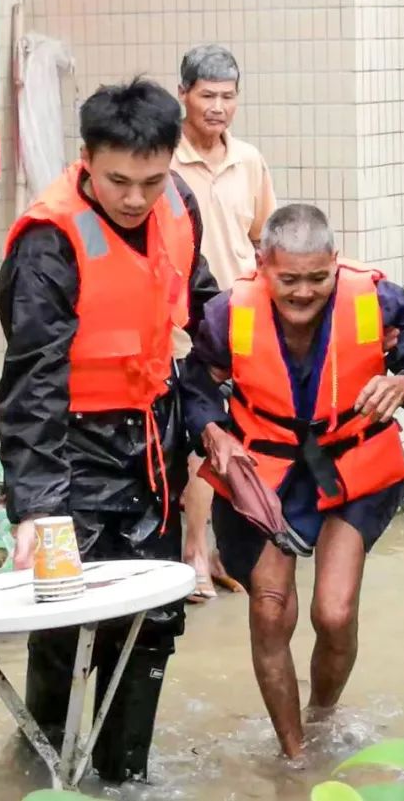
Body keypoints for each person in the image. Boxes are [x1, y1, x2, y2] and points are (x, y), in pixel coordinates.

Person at [0, 77, 219, 784]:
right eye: (118, 179)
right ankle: (46, 773)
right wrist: (36, 507)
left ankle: (128, 776)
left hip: (153, 440)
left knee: (153, 615)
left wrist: (221, 417)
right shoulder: (48, 244)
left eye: (150, 180)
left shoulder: (179, 206)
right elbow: (31, 384)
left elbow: (202, 308)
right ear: (86, 157)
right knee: (67, 620)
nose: (134, 197)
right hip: (70, 449)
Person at [181, 204, 404, 758]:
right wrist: (212, 430)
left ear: (335, 263)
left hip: (352, 464)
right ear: (263, 266)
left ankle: (322, 716)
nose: (304, 292)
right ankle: (294, 754)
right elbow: (194, 386)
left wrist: (403, 384)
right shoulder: (227, 313)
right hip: (266, 471)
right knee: (269, 607)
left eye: (317, 278)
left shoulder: (380, 302)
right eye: (288, 280)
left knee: (334, 611)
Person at [172, 43, 278, 603]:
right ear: (183, 94)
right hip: (184, 319)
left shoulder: (249, 161)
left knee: (236, 429)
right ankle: (192, 552)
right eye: (207, 95)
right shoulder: (163, 162)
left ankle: (217, 550)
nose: (218, 107)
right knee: (199, 432)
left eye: (228, 97)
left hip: (239, 318)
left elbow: (263, 239)